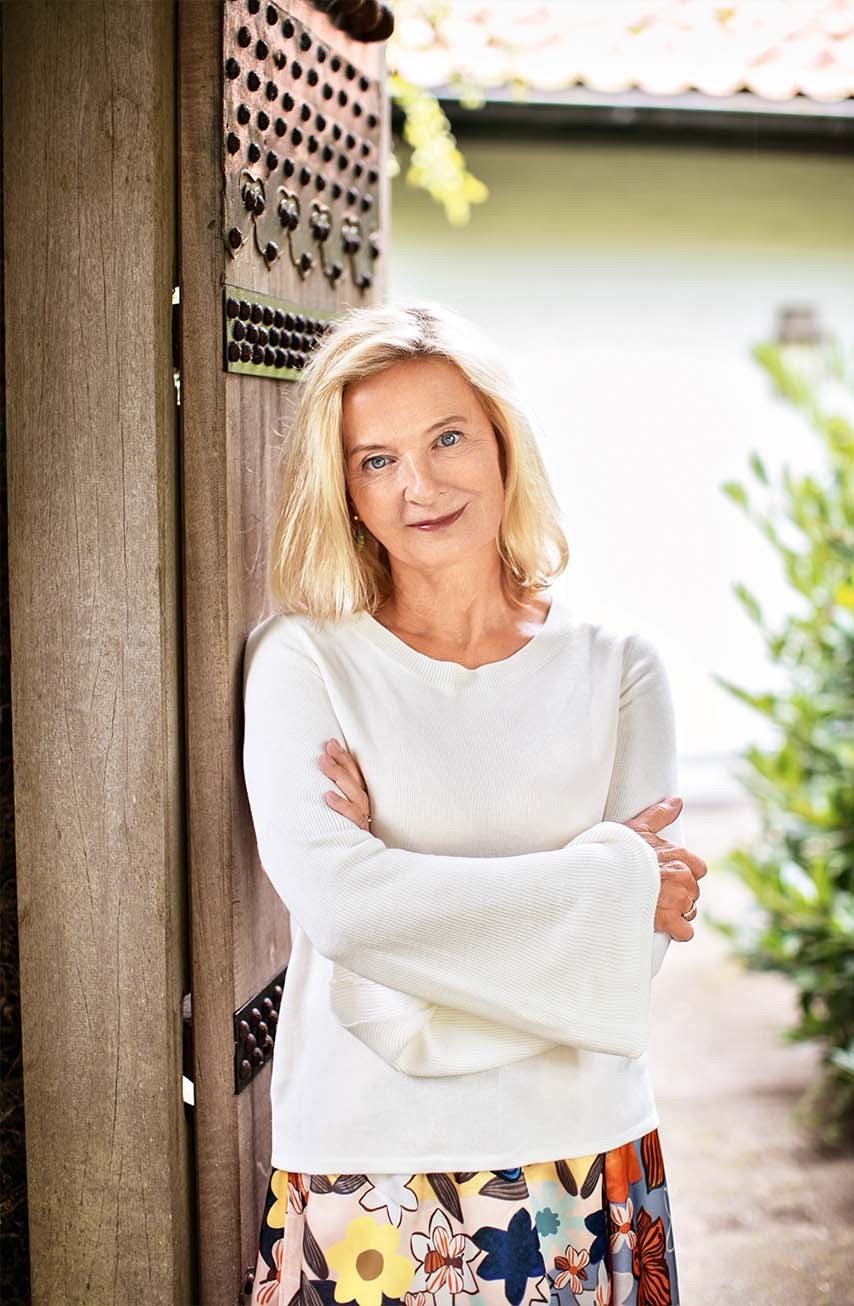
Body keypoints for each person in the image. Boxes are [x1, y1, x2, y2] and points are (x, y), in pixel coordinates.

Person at [242, 300, 707, 1306]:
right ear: (346, 490)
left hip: (582, 1149)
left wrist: (404, 937)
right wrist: (602, 885)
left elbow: (631, 954)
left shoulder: (618, 665)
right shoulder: (302, 662)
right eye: (376, 459)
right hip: (365, 1160)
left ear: (502, 441)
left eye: (447, 438)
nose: (420, 484)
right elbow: (346, 911)